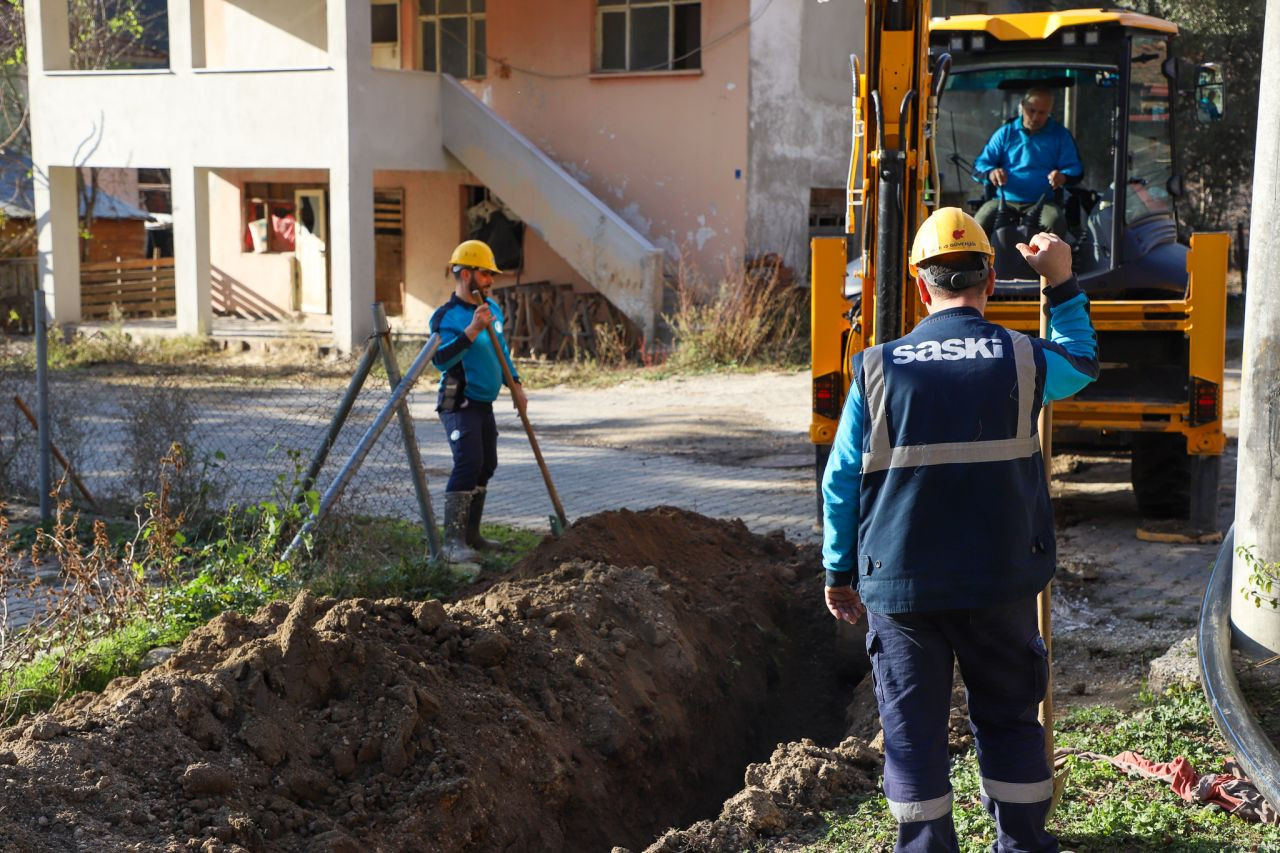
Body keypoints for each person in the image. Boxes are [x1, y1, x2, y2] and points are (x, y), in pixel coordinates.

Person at [821, 208, 1099, 853]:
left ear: (922, 287)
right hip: (1000, 578)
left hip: (900, 583)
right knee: (1008, 719)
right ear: (992, 279)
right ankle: (1024, 844)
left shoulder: (874, 369)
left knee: (913, 731)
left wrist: (839, 571)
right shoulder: (1023, 359)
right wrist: (1059, 284)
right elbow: (1082, 363)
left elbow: (841, 485)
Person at [429, 239, 528, 562]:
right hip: (459, 402)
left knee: (487, 465)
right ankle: (453, 543)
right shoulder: (447, 316)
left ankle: (472, 535)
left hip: (484, 403)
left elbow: (501, 351)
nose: (490, 281)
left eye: (491, 275)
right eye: (485, 274)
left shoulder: (493, 310)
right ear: (466, 273)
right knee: (468, 463)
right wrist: (471, 330)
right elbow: (440, 360)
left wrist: (515, 384)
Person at [973, 87, 1084, 238]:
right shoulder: (1006, 133)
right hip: (1003, 200)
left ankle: (1050, 262)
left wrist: (1063, 176)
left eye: (1042, 112)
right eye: (1031, 110)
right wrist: (991, 172)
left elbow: (1075, 169)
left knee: (1055, 221)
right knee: (978, 222)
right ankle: (979, 261)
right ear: (1022, 106)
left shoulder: (1060, 135)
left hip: (1043, 202)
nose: (1035, 117)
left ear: (1049, 111)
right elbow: (980, 164)